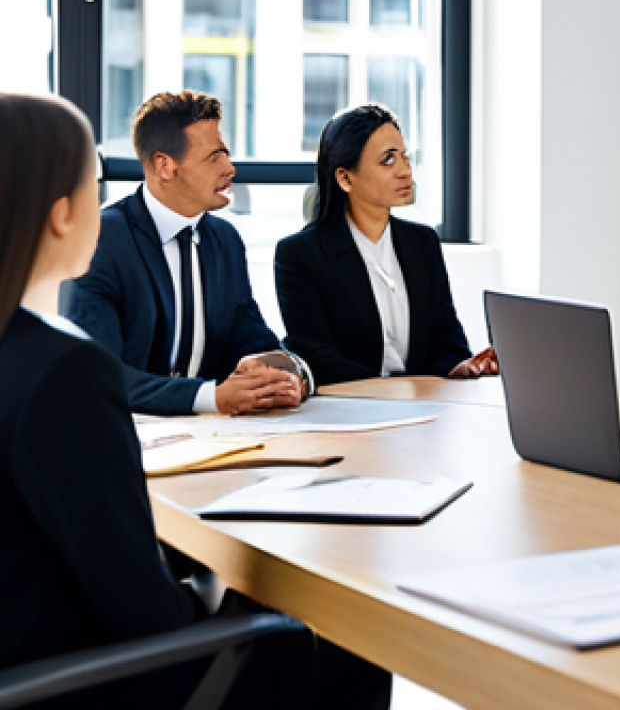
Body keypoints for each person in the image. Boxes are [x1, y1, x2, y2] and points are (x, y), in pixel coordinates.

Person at [0, 92, 391, 709]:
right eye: (91, 187)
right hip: (79, 681)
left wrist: (283, 371)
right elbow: (143, 607)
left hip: (29, 649)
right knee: (343, 628)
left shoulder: (25, 351)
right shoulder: (66, 371)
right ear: (61, 215)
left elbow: (256, 337)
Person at [67, 91, 313, 416]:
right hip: (126, 429)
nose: (229, 168)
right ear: (165, 166)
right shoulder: (101, 239)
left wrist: (286, 373)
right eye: (213, 157)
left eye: (226, 154)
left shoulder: (224, 240)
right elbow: (100, 373)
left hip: (213, 434)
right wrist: (211, 398)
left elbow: (252, 337)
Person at [275, 104, 497, 384]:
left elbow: (447, 343)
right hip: (350, 404)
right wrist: (402, 390)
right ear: (345, 178)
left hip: (424, 403)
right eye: (388, 161)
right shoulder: (301, 254)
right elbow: (319, 361)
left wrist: (462, 368)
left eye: (405, 156)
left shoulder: (422, 242)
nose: (405, 171)